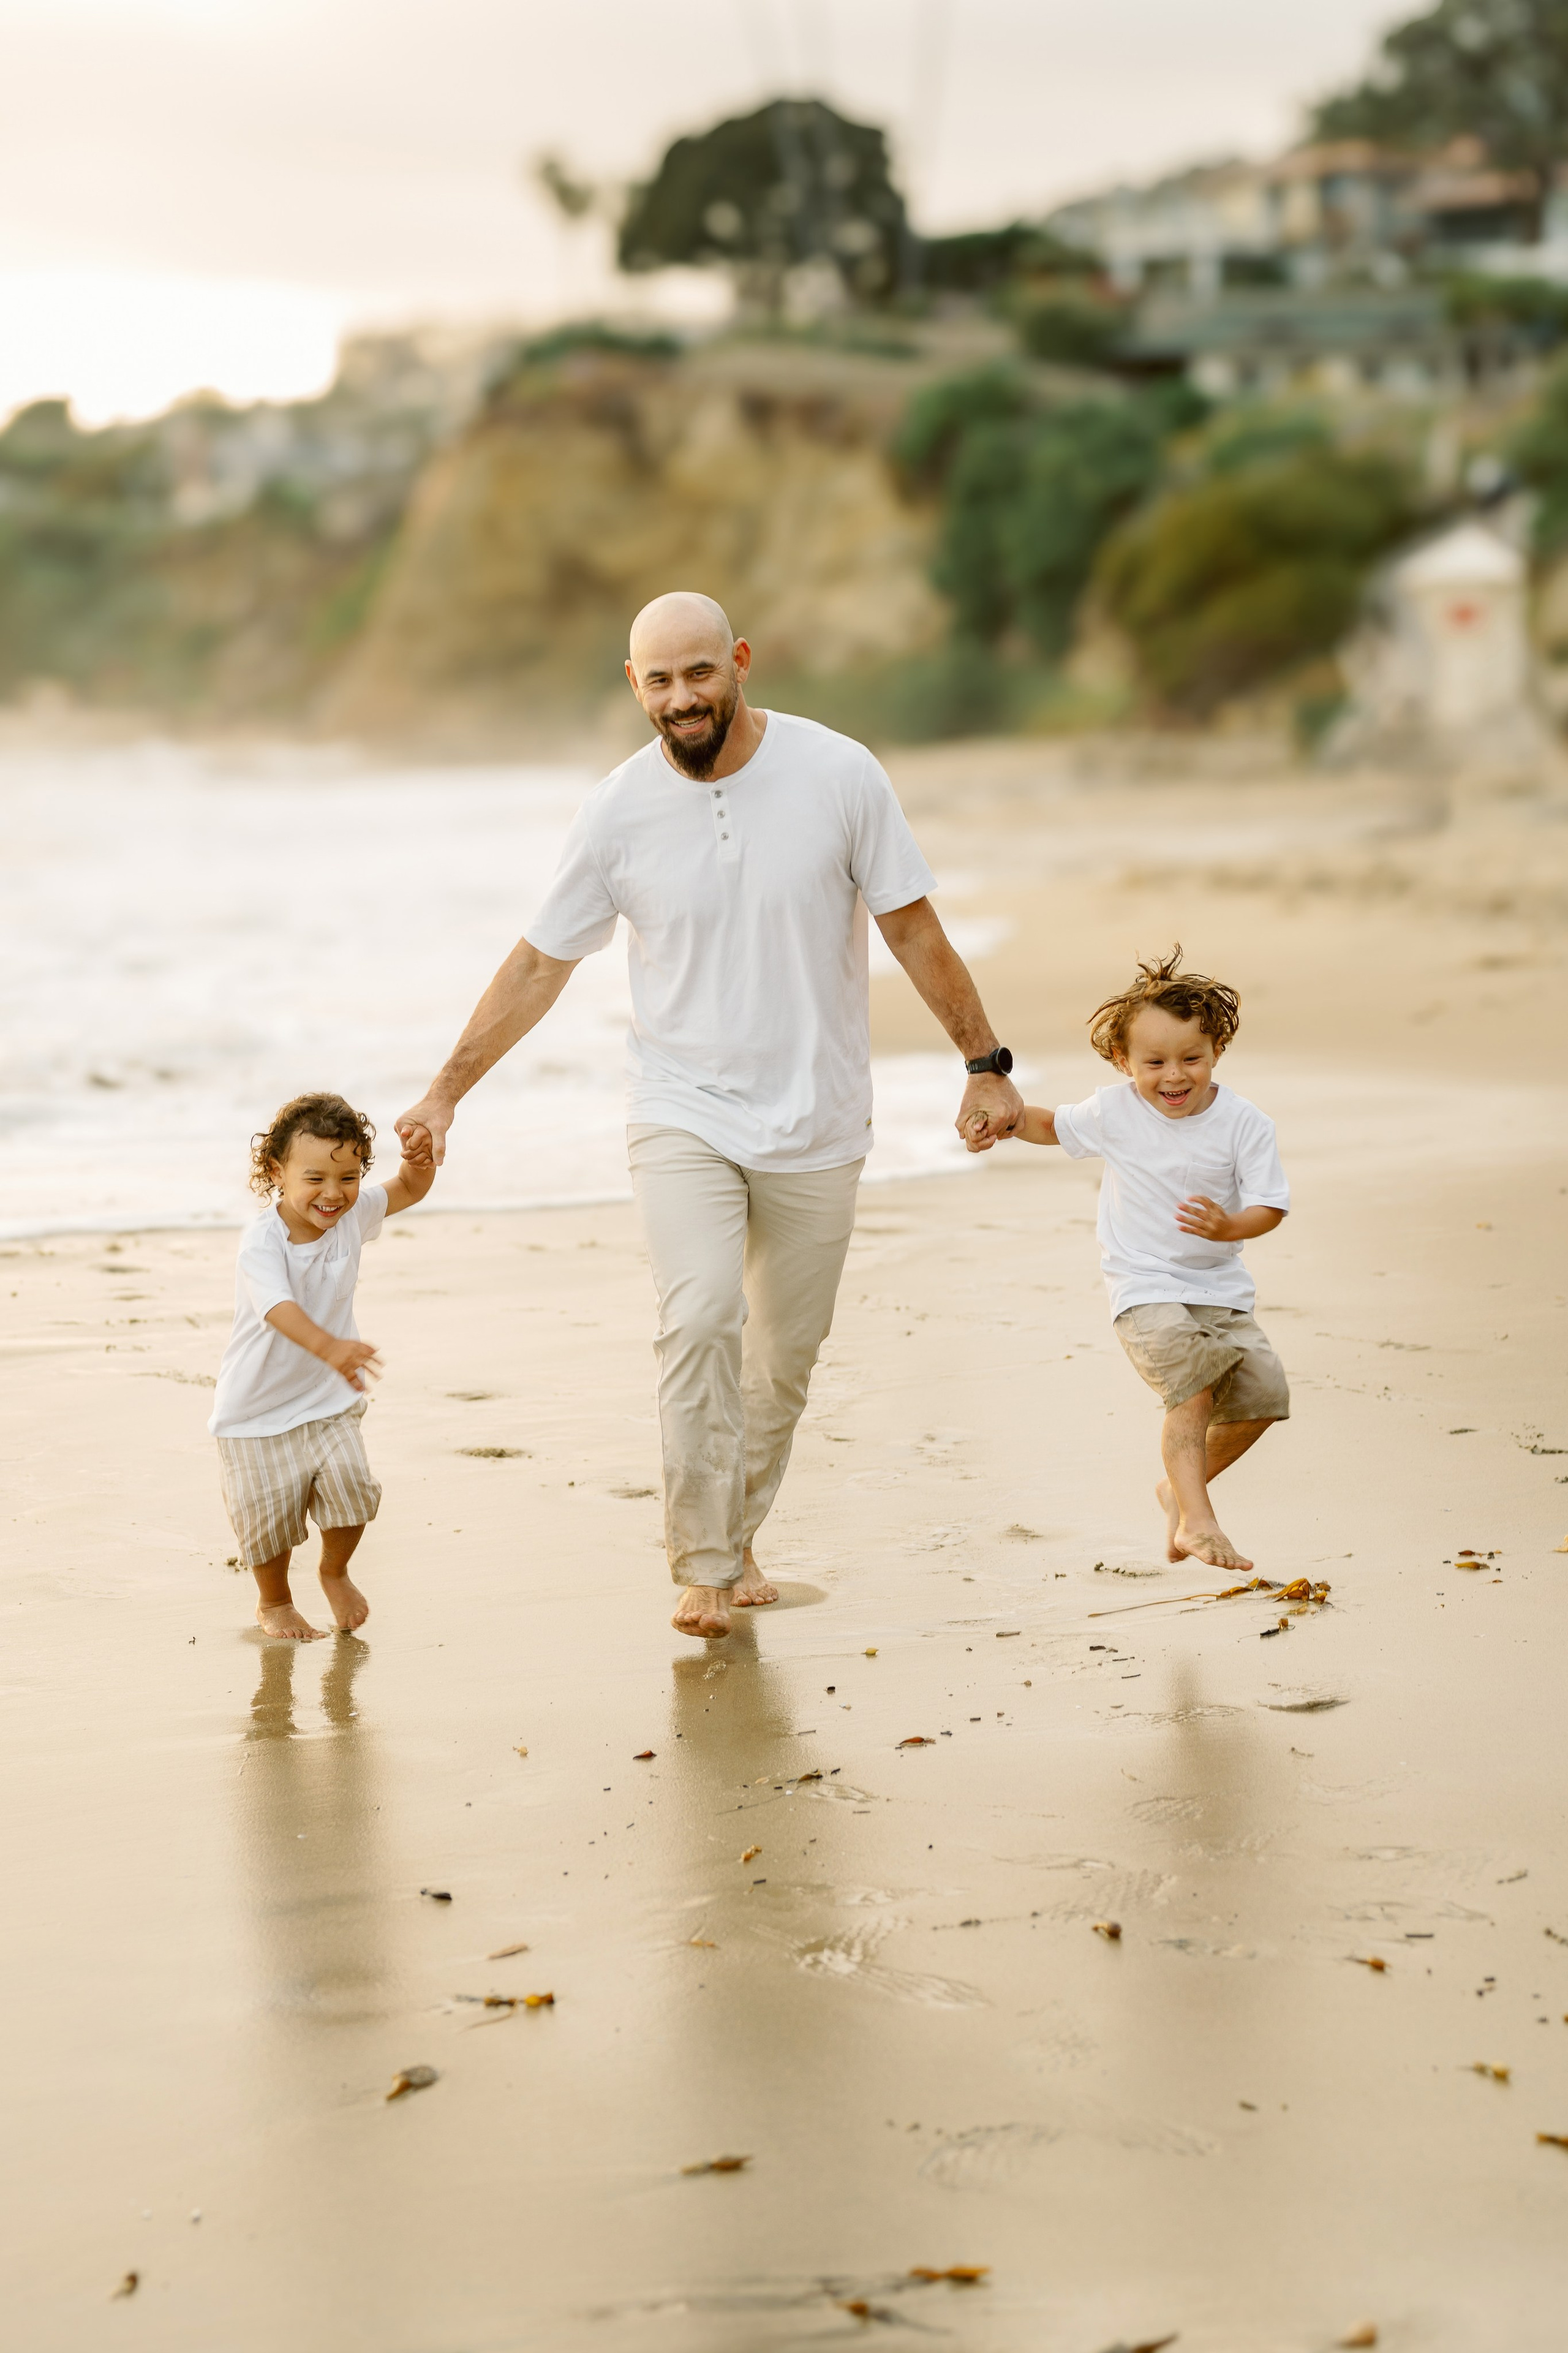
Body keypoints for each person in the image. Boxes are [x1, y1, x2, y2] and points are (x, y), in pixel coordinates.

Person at [396, 591, 1022, 1639]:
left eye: (699, 673)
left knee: (781, 1360)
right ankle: (706, 1564)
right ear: (631, 685)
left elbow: (912, 929)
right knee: (699, 1320)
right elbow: (541, 962)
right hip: (680, 1106)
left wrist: (985, 1064)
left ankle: (734, 1534)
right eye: (659, 679)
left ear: (739, 662)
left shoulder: (838, 773)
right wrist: (445, 1090)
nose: (681, 698)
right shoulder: (615, 812)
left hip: (820, 1116)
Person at [978, 948, 1289, 1572]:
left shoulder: (1244, 1124)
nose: (1174, 1076)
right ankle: (1196, 1522)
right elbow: (1049, 1124)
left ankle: (1173, 1491)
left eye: (1191, 1059)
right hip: (1144, 1286)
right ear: (1123, 1061)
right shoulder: (1115, 1111)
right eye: (1154, 1063)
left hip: (1220, 1287)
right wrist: (1002, 1120)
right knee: (1192, 1387)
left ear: (1216, 1052)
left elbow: (1270, 1206)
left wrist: (1230, 1224)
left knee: (1264, 1394)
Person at [209, 1092, 435, 1640]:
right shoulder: (263, 1241)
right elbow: (278, 1308)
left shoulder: (354, 1215)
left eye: (350, 1176)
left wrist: (419, 1161)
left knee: (353, 1489)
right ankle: (276, 1601)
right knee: (269, 1523)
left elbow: (406, 1190)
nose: (334, 1194)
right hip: (256, 1411)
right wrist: (331, 1346)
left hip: (327, 1400)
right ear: (277, 1171)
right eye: (315, 1179)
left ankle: (334, 1569)